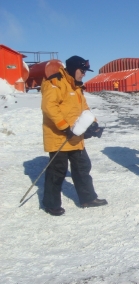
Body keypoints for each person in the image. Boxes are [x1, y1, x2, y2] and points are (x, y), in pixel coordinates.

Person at [41, 55, 108, 216]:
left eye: (85, 71)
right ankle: (51, 204)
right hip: (59, 137)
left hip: (75, 137)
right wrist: (65, 127)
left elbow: (84, 108)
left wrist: (93, 124)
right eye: (82, 70)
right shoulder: (56, 83)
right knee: (57, 172)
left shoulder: (76, 87)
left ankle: (88, 198)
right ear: (72, 68)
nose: (84, 73)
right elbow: (49, 107)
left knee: (82, 167)